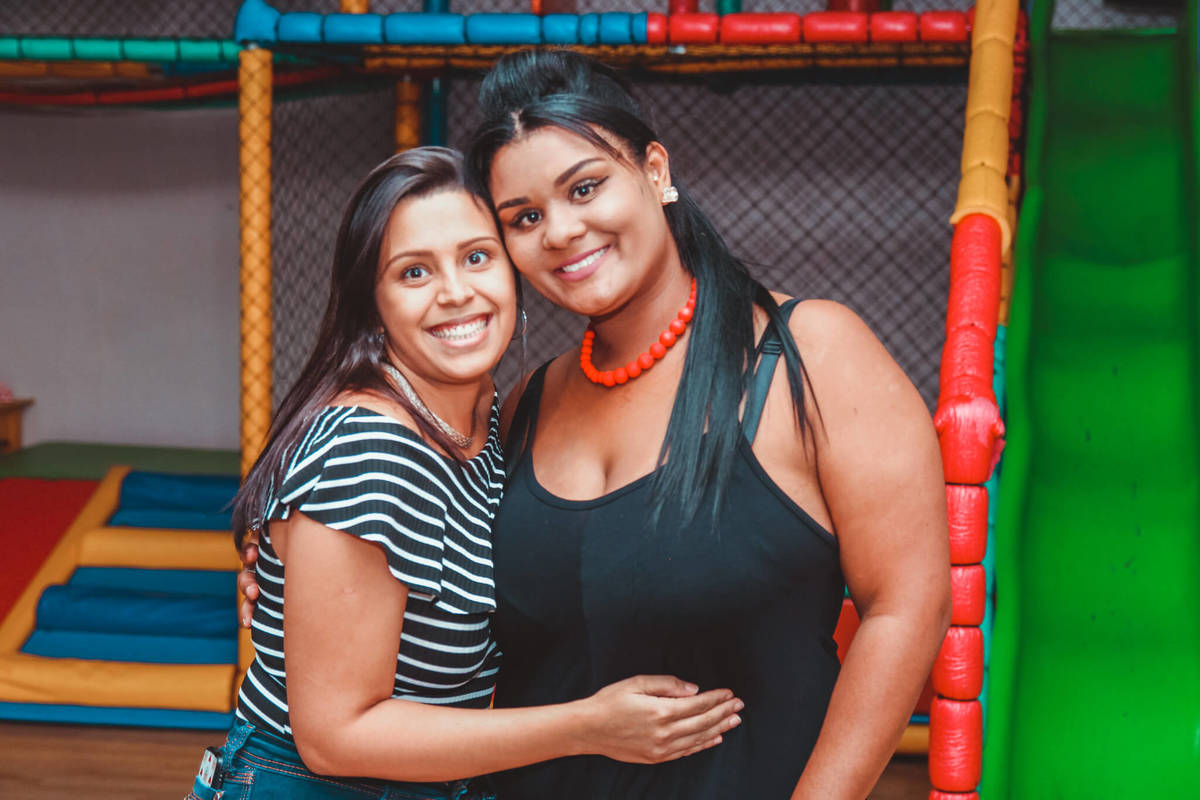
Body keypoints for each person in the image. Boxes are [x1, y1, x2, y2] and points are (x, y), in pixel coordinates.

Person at [242, 49, 951, 797]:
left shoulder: (810, 354)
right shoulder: (525, 405)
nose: (560, 231)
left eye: (585, 187)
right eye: (525, 218)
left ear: (654, 171)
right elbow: (389, 560)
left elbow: (909, 606)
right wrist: (286, 568)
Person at [199, 147, 743, 800]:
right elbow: (334, 737)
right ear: (373, 302)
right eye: (414, 272)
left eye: (477, 257)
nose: (456, 292)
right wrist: (590, 727)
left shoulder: (485, 423)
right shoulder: (370, 448)